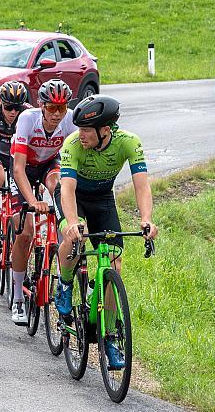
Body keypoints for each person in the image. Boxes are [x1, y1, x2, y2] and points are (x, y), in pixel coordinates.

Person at [53, 95, 158, 368]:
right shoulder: (72, 145)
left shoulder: (129, 143)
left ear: (105, 131)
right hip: (73, 197)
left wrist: (146, 220)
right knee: (71, 236)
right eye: (79, 129)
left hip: (102, 199)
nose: (81, 135)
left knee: (115, 264)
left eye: (87, 130)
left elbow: (142, 185)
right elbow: (67, 188)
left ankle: (109, 336)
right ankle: (64, 284)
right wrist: (74, 222)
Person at [9, 79, 77, 324]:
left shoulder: (69, 119)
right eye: (52, 108)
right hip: (24, 166)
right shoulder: (28, 119)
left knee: (59, 183)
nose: (57, 114)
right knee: (25, 232)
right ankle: (17, 297)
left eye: (62, 108)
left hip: (50, 165)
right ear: (42, 106)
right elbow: (17, 169)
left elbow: (70, 164)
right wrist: (32, 202)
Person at [0, 81, 31, 250]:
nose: (13, 112)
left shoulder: (29, 113)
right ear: (1, 102)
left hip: (19, 156)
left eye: (17, 108)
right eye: (8, 107)